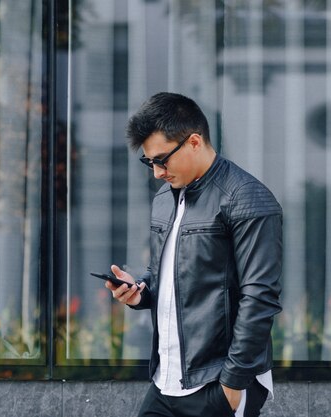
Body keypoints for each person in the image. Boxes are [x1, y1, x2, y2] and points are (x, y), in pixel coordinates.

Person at [104, 92, 283, 417]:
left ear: (195, 142)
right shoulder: (164, 197)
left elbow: (260, 297)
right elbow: (171, 274)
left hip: (218, 383)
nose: (157, 172)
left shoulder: (247, 199)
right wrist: (139, 291)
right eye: (149, 162)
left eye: (162, 160)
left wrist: (232, 385)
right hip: (165, 381)